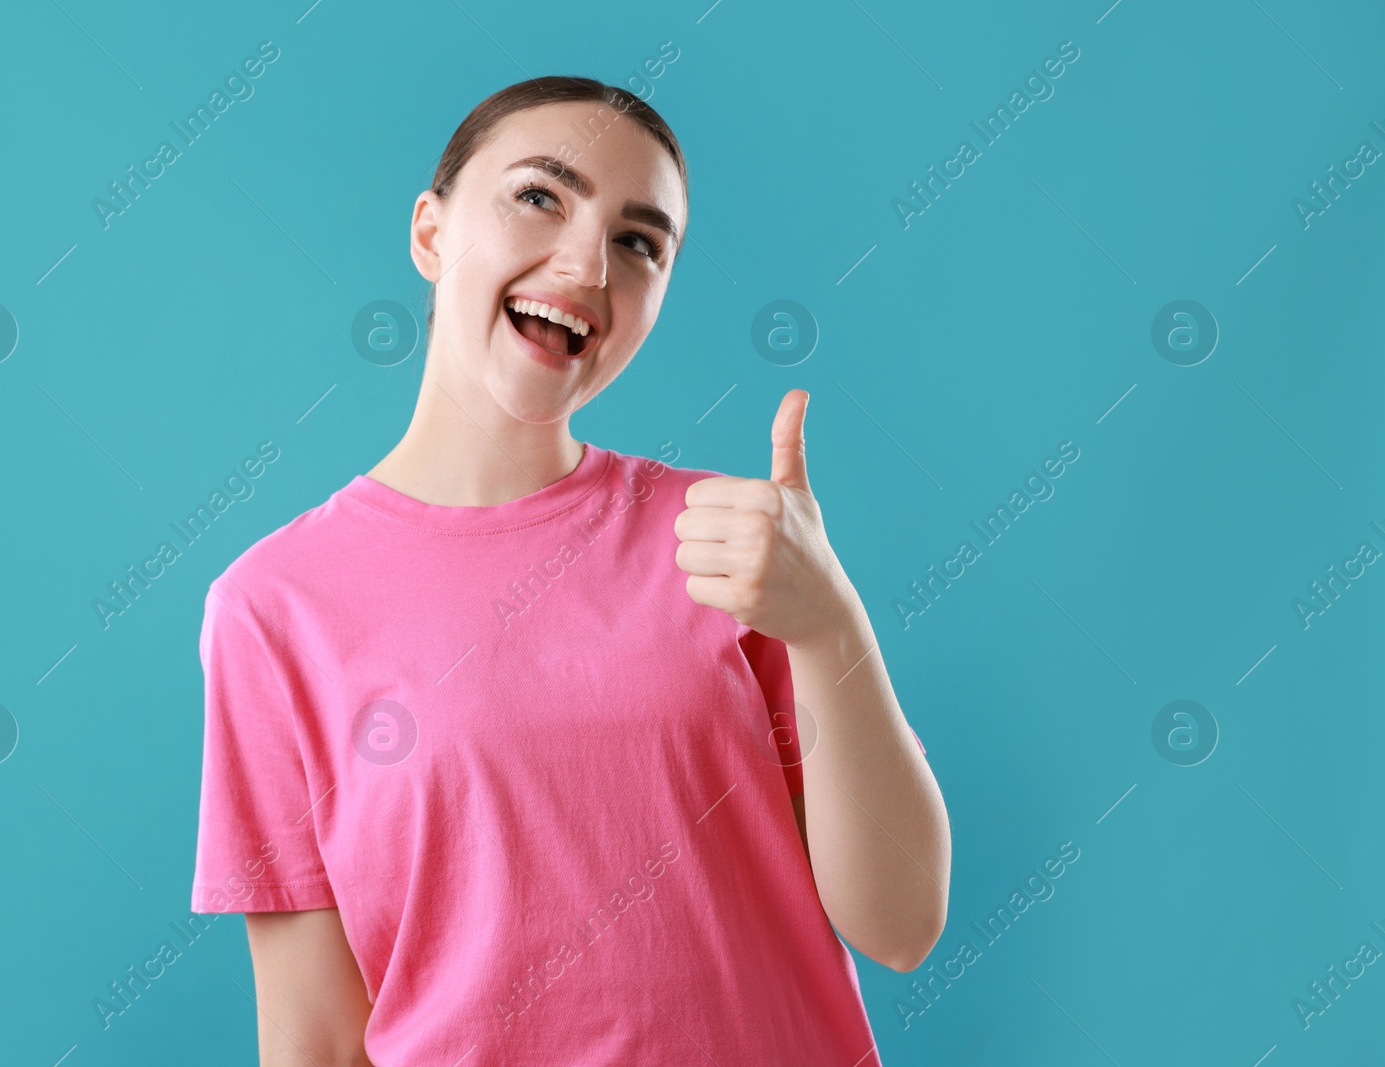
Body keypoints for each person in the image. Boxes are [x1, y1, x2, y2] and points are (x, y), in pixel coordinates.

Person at [190, 75, 949, 1066]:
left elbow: (900, 925)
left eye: (639, 241)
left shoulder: (735, 547)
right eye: (539, 196)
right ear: (430, 232)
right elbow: (315, 1040)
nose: (589, 262)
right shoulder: (272, 607)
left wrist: (830, 622)